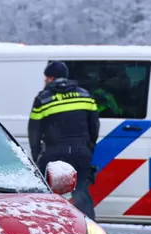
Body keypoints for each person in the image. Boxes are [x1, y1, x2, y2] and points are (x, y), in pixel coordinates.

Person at [28, 61, 100, 219]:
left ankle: (55, 228)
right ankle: (87, 231)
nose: (45, 81)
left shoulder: (43, 99)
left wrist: (36, 155)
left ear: (51, 77)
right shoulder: (85, 95)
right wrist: (89, 147)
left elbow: (34, 131)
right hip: (81, 152)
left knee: (51, 196)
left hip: (54, 154)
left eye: (46, 78)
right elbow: (94, 126)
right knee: (80, 192)